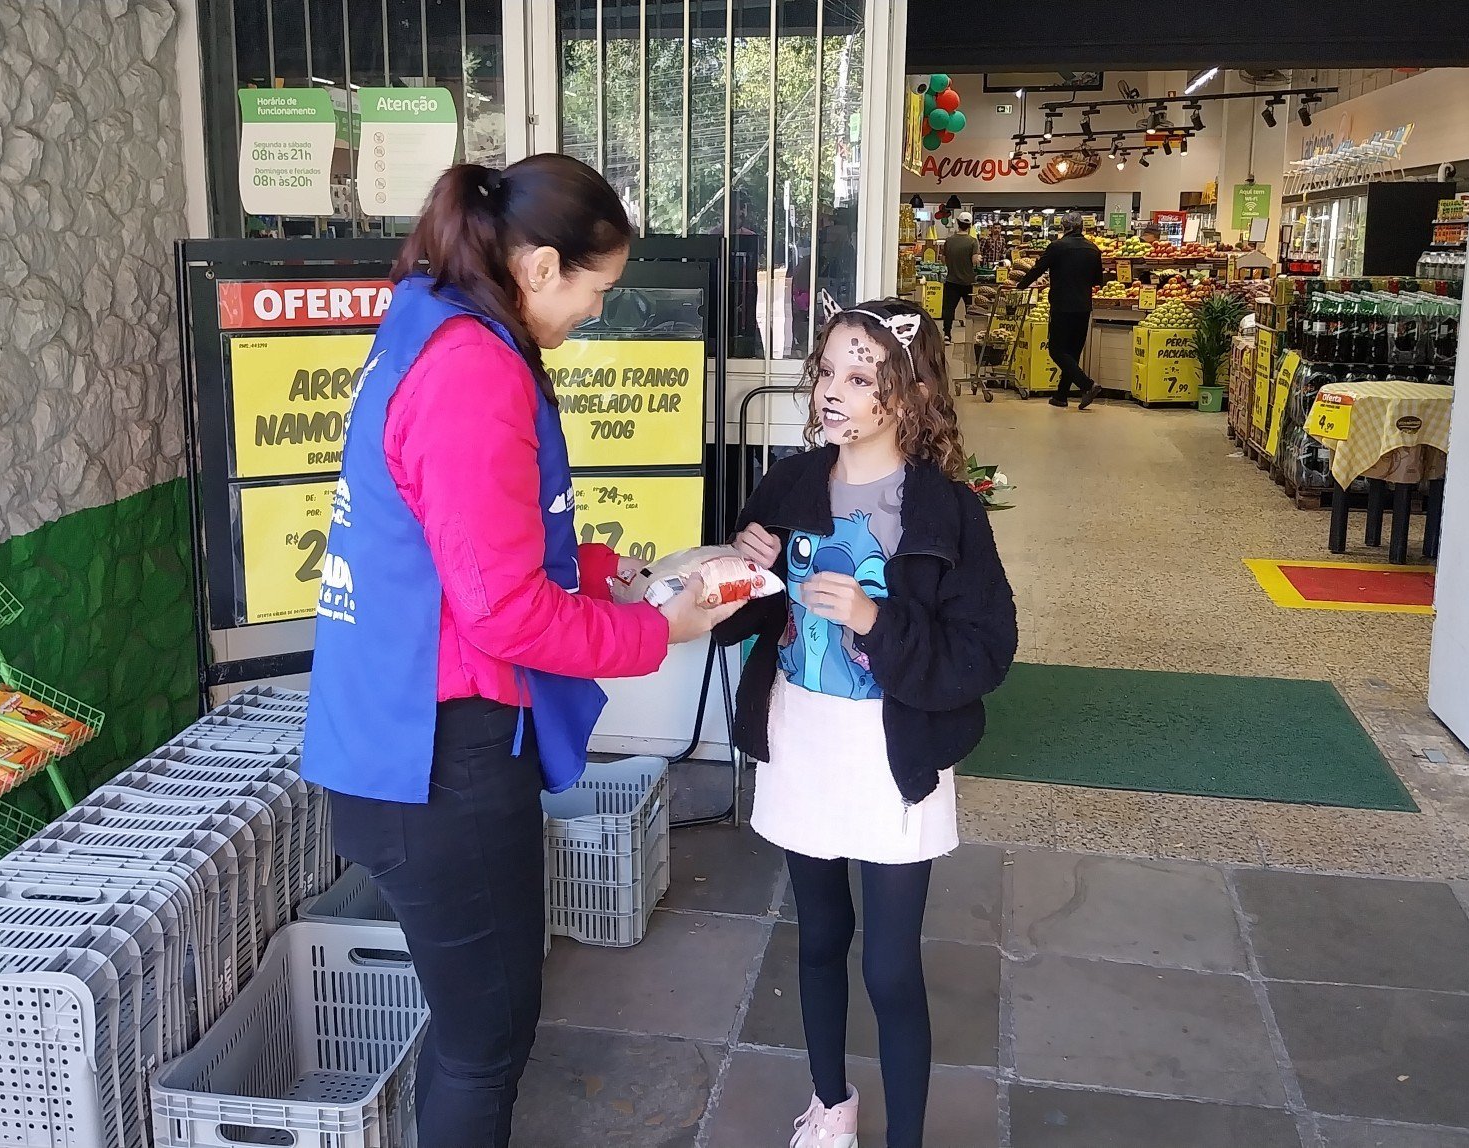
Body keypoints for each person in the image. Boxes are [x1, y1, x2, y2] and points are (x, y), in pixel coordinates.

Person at [302, 154, 743, 1148]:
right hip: (438, 758)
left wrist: (607, 572)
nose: (598, 310)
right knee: (487, 1041)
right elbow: (502, 610)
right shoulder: (471, 367)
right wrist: (655, 628)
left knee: (469, 1031)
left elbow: (467, 542)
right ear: (541, 266)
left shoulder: (430, 319)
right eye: (598, 288)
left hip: (404, 738)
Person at [718, 298, 1018, 1148]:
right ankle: (831, 1106)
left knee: (890, 969)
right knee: (818, 938)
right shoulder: (788, 485)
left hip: (896, 756)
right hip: (800, 739)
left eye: (860, 376)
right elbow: (737, 621)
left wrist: (876, 623)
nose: (832, 393)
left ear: (910, 393)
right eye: (825, 373)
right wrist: (745, 572)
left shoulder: (946, 511)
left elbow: (987, 651)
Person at [1014, 212, 1104, 409]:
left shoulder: (1057, 247)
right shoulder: (1093, 249)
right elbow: (1098, 281)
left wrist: (1020, 286)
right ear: (1081, 227)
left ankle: (1087, 385)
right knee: (1072, 352)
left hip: (1062, 305)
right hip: (1084, 306)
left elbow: (1038, 269)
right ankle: (1061, 396)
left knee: (1056, 350)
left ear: (1064, 227)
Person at [939, 215, 978, 344]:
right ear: (970, 225)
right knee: (971, 310)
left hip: (951, 281)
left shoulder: (949, 241)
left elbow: (943, 259)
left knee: (949, 309)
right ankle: (972, 337)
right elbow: (974, 260)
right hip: (968, 282)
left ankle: (947, 335)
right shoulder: (973, 241)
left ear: (957, 223)